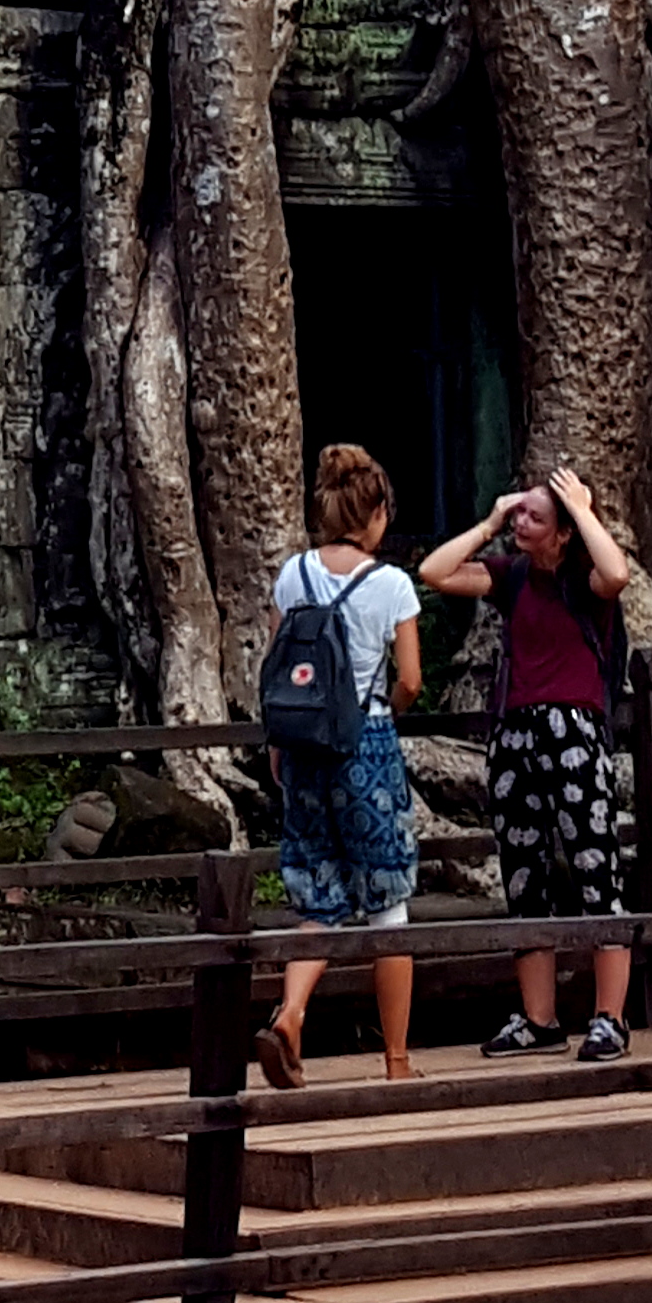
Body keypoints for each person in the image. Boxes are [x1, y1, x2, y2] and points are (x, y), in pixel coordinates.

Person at [422, 464, 635, 1059]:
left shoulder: (583, 582)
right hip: (515, 734)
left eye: (533, 517)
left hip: (575, 732)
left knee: (596, 870)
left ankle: (610, 1017)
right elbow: (433, 571)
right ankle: (538, 1019)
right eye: (520, 513)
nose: (521, 522)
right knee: (523, 875)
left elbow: (616, 574)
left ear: (562, 533)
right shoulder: (510, 577)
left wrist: (583, 510)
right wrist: (490, 521)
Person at [256, 441, 423, 1090]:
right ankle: (397, 1062)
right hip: (367, 744)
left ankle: (292, 1013)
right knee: (388, 906)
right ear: (375, 511)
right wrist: (383, 704)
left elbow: (276, 669)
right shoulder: (391, 584)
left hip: (300, 750)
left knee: (317, 897)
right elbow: (409, 679)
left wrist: (278, 742)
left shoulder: (292, 575)